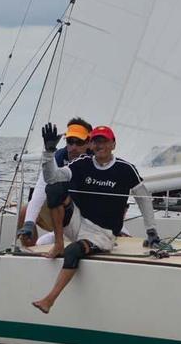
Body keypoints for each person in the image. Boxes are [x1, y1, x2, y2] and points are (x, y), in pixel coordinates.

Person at [32, 123, 162, 314]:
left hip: (102, 234)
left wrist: (151, 231)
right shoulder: (81, 164)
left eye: (104, 141)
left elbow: (143, 198)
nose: (99, 145)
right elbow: (52, 178)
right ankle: (58, 243)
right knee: (54, 189)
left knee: (73, 252)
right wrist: (49, 152)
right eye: (95, 141)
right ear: (91, 144)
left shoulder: (125, 169)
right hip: (77, 222)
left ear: (113, 144)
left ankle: (49, 299)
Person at [16, 118, 92, 247]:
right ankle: (28, 253)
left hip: (89, 220)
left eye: (79, 142)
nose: (73, 147)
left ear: (89, 143)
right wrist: (29, 223)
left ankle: (61, 238)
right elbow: (41, 188)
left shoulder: (96, 161)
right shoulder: (57, 157)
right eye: (70, 141)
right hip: (64, 218)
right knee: (25, 210)